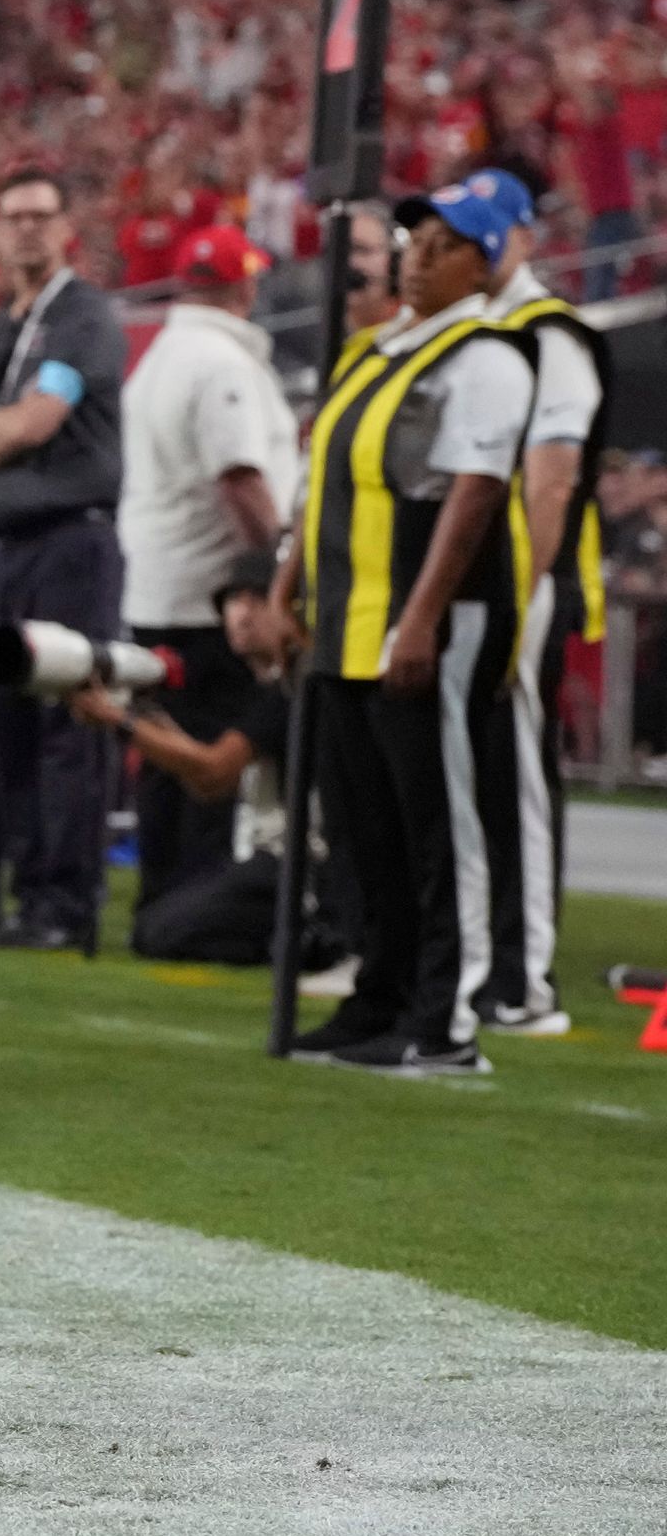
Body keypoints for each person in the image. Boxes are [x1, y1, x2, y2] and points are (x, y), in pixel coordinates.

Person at [284, 181, 536, 1077]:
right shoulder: (379, 347)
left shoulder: (488, 357)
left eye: (446, 243)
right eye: (415, 239)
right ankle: (382, 994)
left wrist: (422, 617)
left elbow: (475, 492)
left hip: (428, 614)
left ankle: (448, 1018)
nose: (419, 257)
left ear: (493, 257)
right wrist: (289, 579)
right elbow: (327, 480)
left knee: (440, 822)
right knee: (368, 825)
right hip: (350, 616)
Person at [0, 166, 128, 950]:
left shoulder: (83, 316)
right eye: (14, 216)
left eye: (42, 215)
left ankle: (65, 903)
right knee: (1, 720)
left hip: (69, 539)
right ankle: (25, 892)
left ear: (65, 226)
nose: (28, 229)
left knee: (64, 722)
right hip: (2, 546)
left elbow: (35, 424)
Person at [114, 223, 298, 917]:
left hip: (156, 585)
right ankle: (196, 900)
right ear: (243, 285)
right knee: (208, 753)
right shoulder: (221, 363)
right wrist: (279, 569)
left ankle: (164, 892)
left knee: (165, 752)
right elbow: (241, 477)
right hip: (208, 593)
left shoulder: (162, 354)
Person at [469, 165, 610, 1038]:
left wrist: (514, 605)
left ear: (523, 235)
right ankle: (485, 963)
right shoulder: (483, 328)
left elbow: (549, 488)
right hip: (474, 590)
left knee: (515, 783)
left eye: (489, 231)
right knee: (477, 783)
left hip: (521, 588)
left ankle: (523, 979)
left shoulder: (548, 334)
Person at [72, 553, 341, 969]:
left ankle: (307, 938)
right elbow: (209, 783)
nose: (242, 615)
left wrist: (121, 723)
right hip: (271, 863)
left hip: (294, 868)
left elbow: (214, 769)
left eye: (257, 600)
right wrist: (147, 719)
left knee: (158, 933)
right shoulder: (269, 689)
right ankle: (294, 943)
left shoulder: (289, 691)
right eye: (234, 601)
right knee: (157, 924)